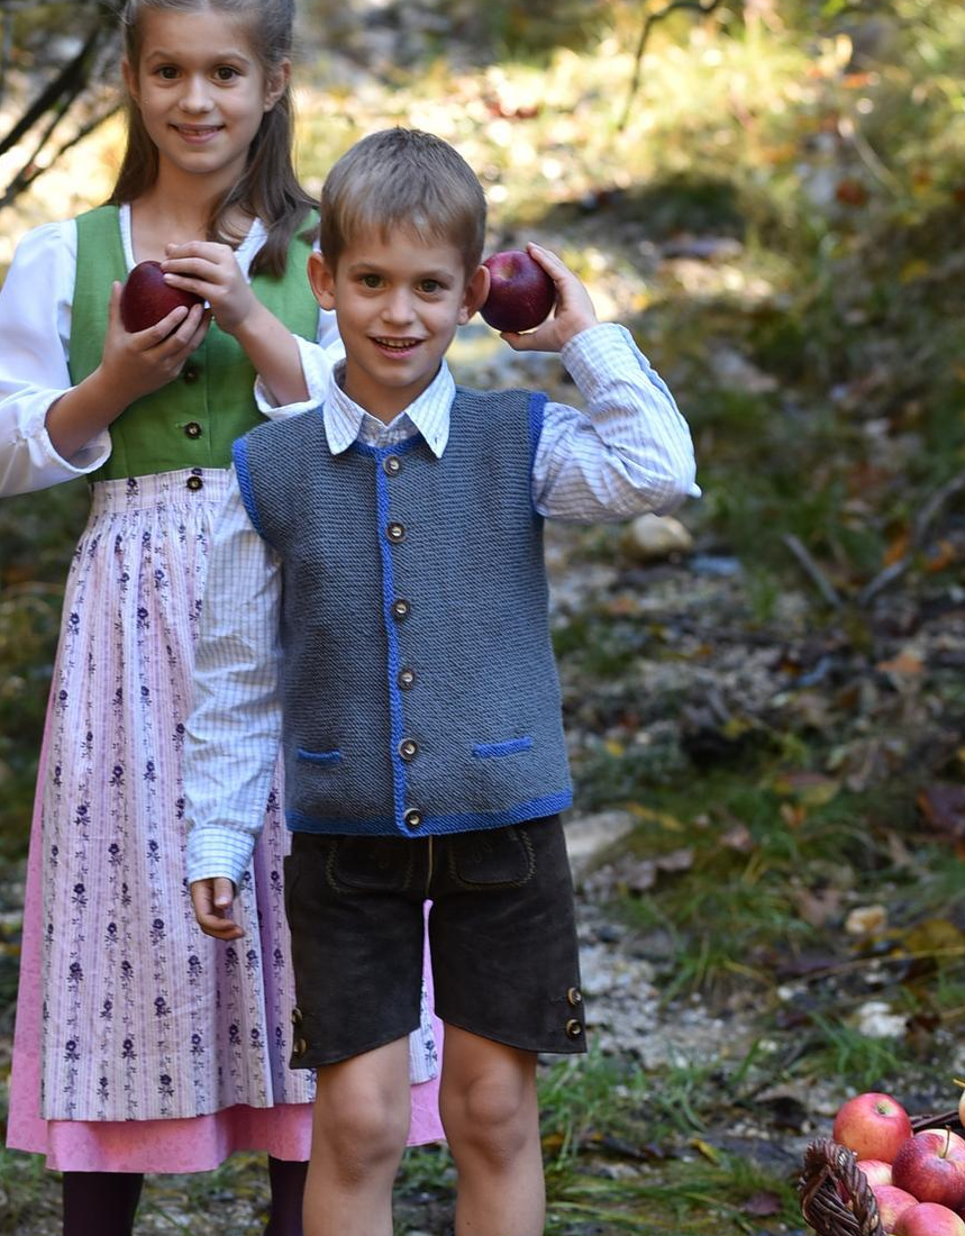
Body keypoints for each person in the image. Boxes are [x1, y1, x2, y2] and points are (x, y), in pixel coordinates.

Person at [0, 0, 440, 1236]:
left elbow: (383, 422)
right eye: (170, 70)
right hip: (131, 611)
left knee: (297, 905)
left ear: (274, 81)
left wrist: (260, 325)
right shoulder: (66, 259)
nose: (198, 100)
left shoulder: (331, 257)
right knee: (129, 902)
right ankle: (100, 1204)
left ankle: (305, 1202)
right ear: (132, 80)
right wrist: (112, 383)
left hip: (299, 602)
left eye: (226, 71)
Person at [184, 126, 699, 1236]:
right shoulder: (268, 469)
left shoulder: (520, 439)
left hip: (502, 826)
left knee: (492, 1109)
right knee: (360, 1119)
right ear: (323, 283)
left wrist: (588, 337)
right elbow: (235, 675)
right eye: (369, 282)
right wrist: (215, 836)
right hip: (345, 836)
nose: (398, 313)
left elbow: (661, 470)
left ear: (473, 295)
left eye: (429, 287)